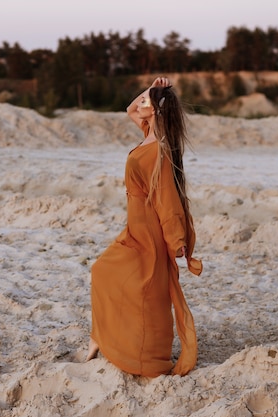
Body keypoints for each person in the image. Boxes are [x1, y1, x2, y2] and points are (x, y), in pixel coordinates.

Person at [85, 76, 203, 377]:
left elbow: (167, 198)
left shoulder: (158, 150)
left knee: (144, 287)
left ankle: (144, 352)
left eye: (146, 101)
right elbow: (129, 109)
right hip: (134, 226)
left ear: (157, 111)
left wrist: (177, 240)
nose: (140, 103)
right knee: (104, 271)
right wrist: (151, 88)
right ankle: (99, 337)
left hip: (147, 230)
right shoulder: (149, 132)